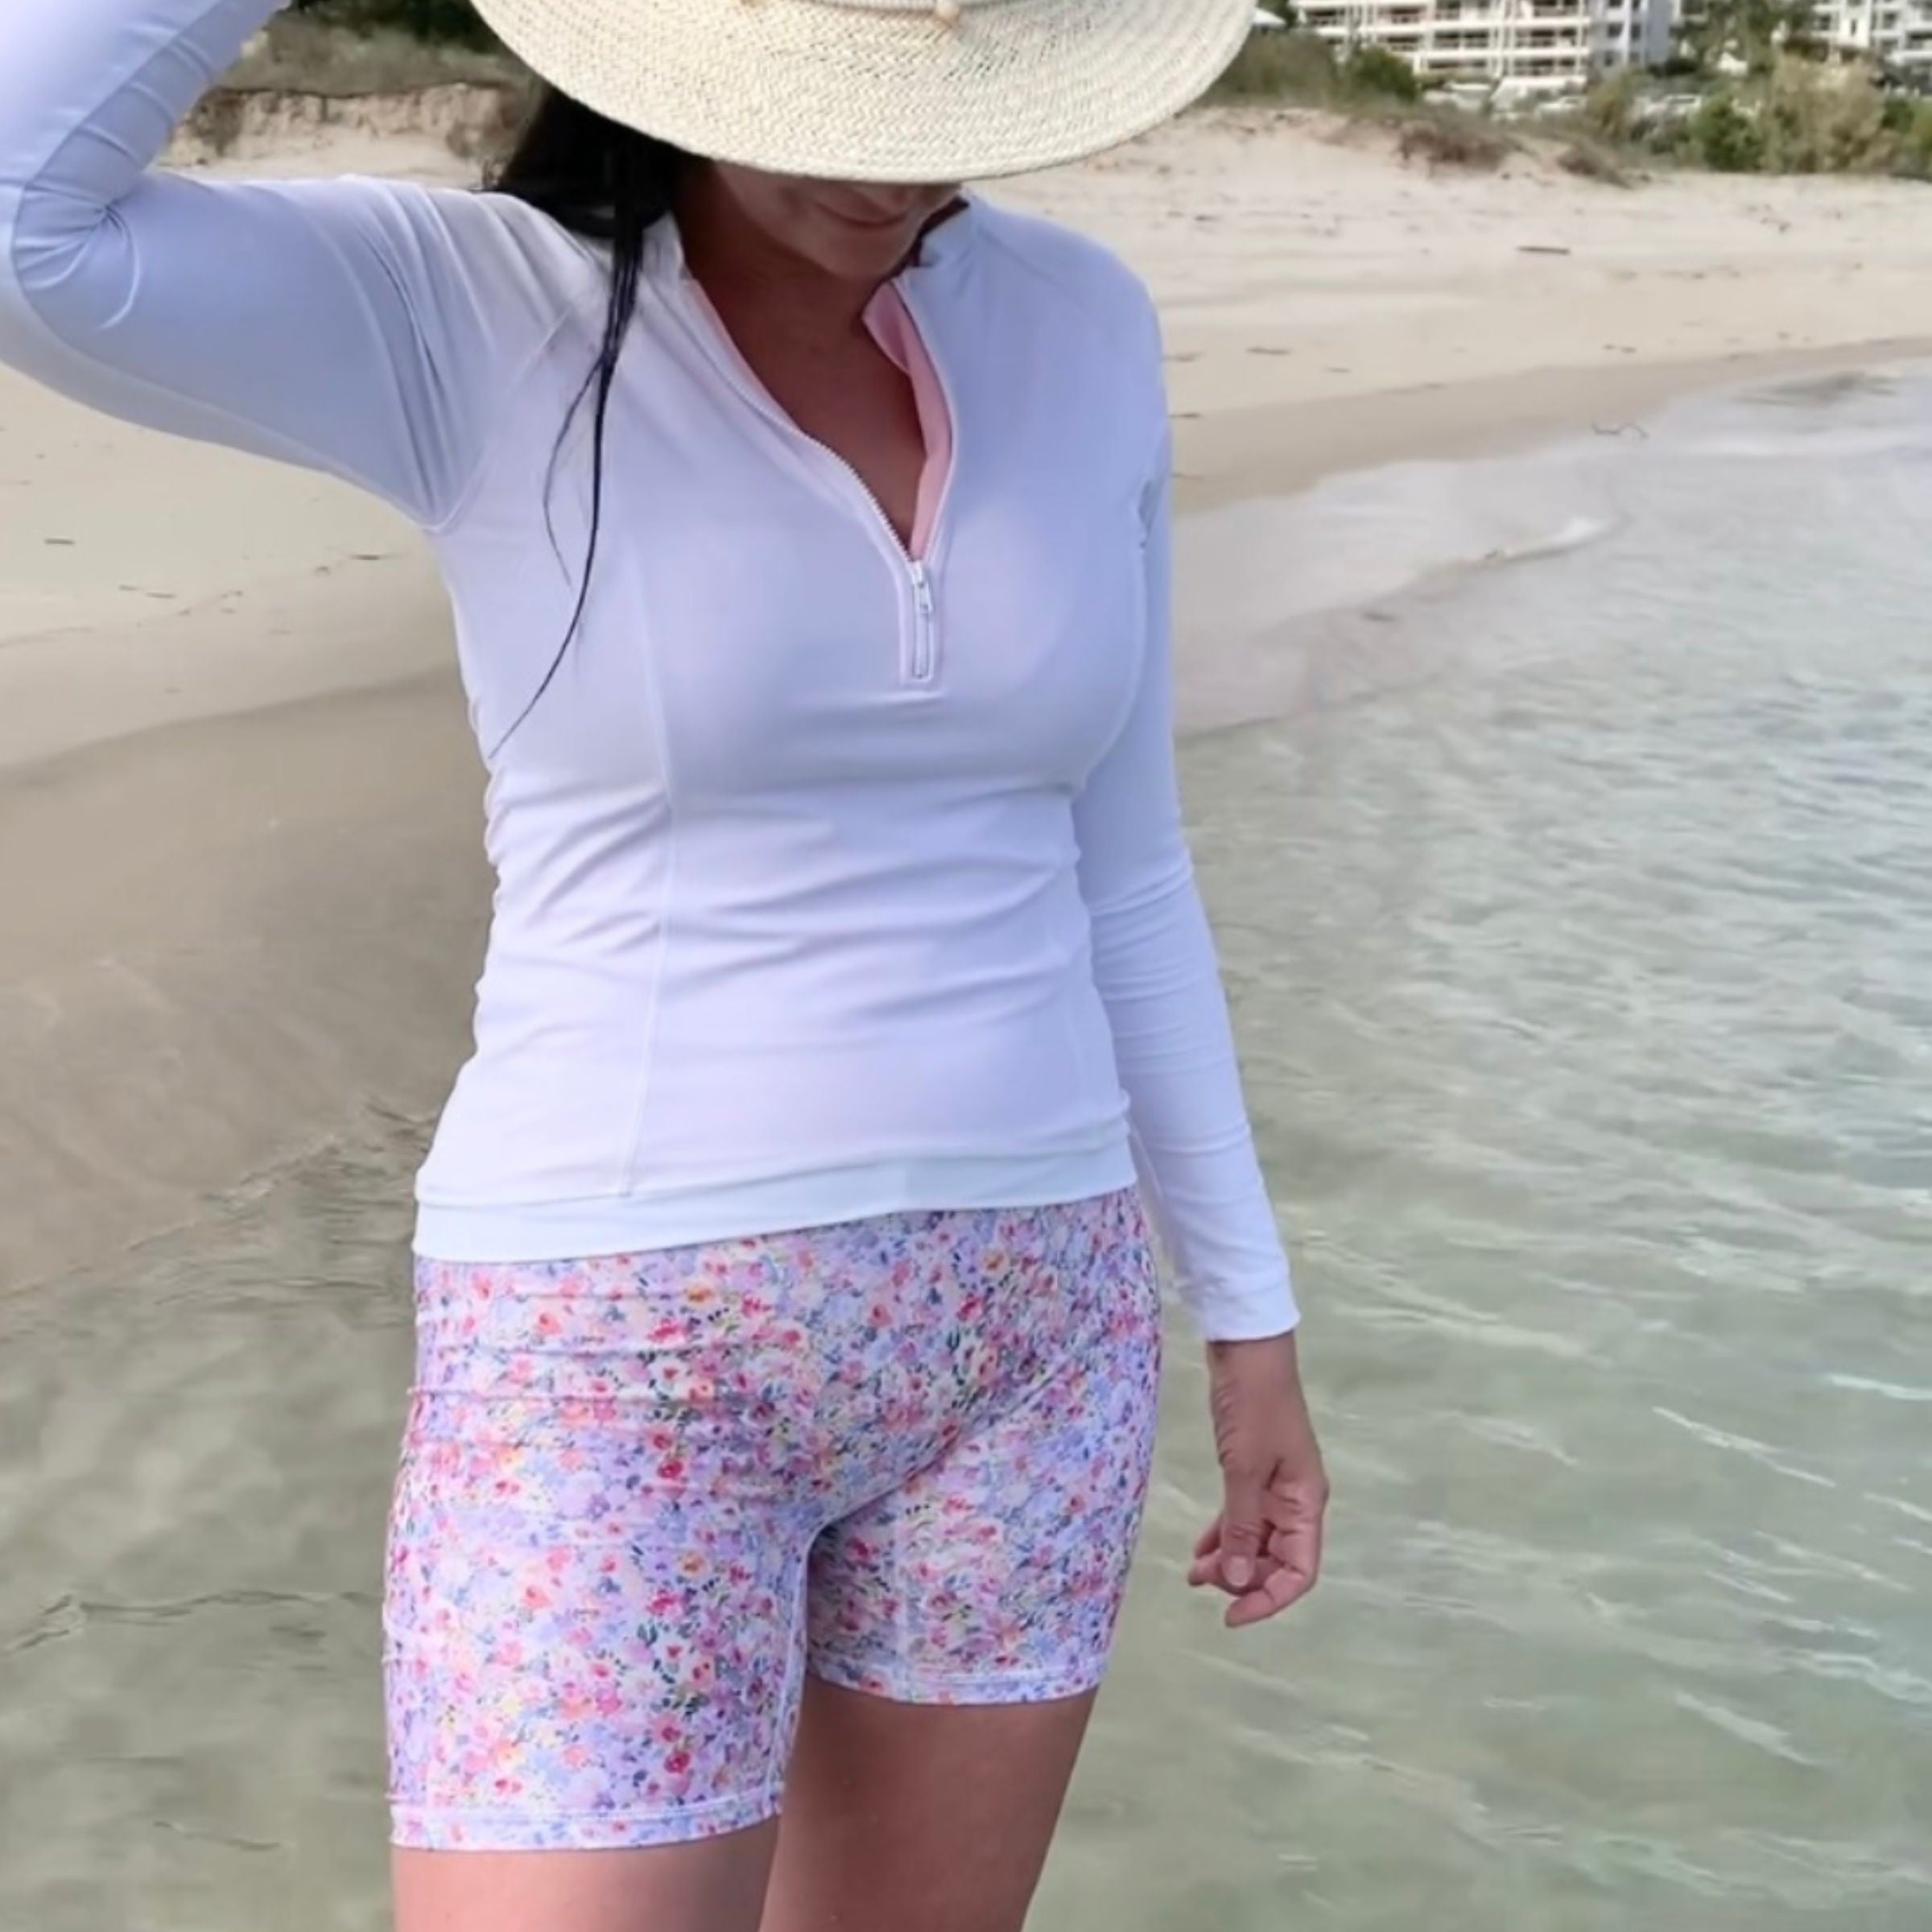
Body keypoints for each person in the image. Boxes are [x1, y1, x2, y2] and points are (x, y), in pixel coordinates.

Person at [0, 1, 1329, 1926]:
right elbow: (24, 216)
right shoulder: (472, 314)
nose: (881, 171)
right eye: (823, 102)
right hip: (616, 1362)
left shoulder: (1083, 321)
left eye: (935, 108)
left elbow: (1124, 872)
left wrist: (1253, 1320)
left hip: (1038, 1336)